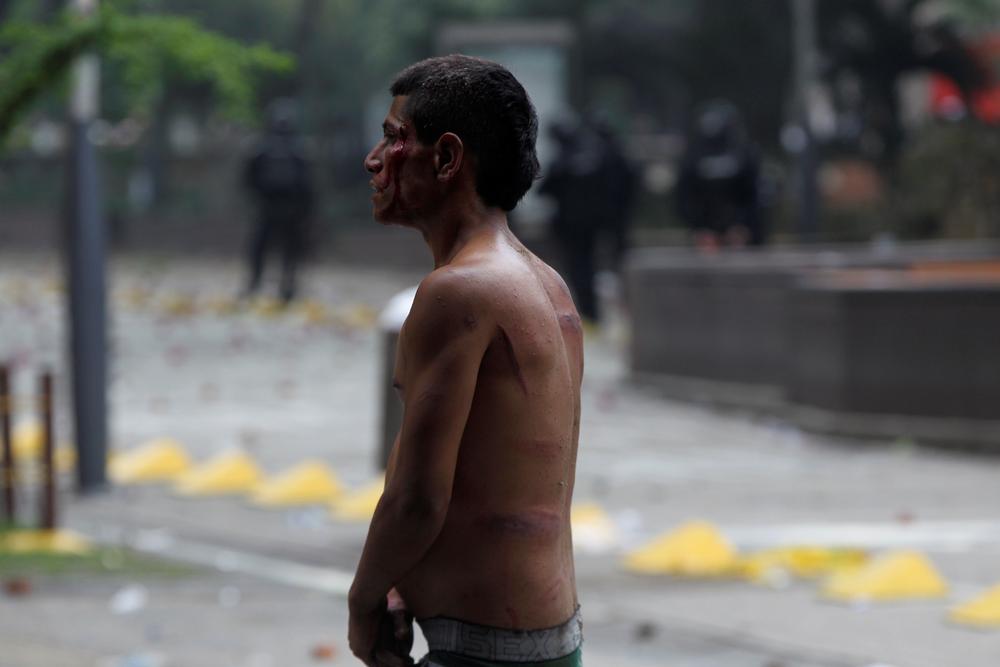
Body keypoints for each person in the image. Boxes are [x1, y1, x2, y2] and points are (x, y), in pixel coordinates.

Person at [349, 55, 584, 667]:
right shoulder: (548, 285)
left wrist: (363, 603)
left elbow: (417, 498)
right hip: (549, 641)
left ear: (448, 159)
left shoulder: (458, 293)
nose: (374, 160)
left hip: (483, 653)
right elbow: (493, 483)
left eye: (394, 138)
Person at [242, 98, 314, 303]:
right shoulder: (299, 149)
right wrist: (306, 210)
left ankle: (257, 284)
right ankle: (286, 287)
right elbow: (308, 185)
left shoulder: (260, 148)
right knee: (287, 249)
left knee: (261, 247)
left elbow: (247, 179)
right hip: (287, 208)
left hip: (269, 207)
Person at [675, 99, 764, 251]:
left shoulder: (744, 155)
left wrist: (742, 226)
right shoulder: (693, 157)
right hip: (704, 233)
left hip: (740, 233)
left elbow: (753, 195)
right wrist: (699, 229)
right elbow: (684, 196)